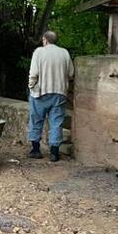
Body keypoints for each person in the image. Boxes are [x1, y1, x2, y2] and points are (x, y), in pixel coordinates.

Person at [28, 30, 74, 162]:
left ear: (45, 40)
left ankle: (36, 150)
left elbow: (34, 73)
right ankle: (54, 153)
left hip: (40, 92)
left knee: (36, 120)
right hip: (59, 92)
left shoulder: (39, 52)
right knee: (56, 122)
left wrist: (31, 86)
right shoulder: (64, 52)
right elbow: (71, 73)